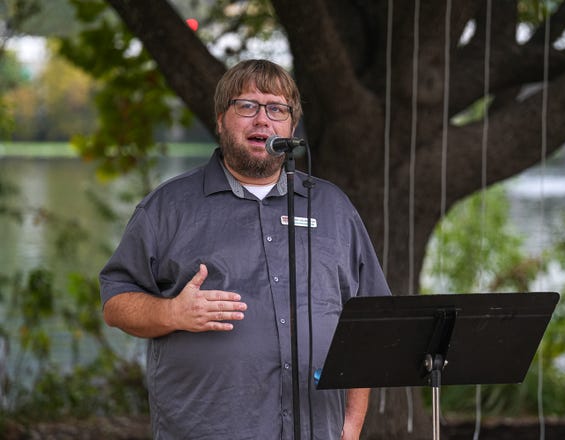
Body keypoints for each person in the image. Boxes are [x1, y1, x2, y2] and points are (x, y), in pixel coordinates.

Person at [100, 59, 391, 440]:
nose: (262, 120)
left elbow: (369, 324)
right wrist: (171, 311)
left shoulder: (333, 208)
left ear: (291, 126)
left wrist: (350, 428)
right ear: (221, 119)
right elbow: (116, 303)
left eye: (277, 109)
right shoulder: (168, 207)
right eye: (247, 106)